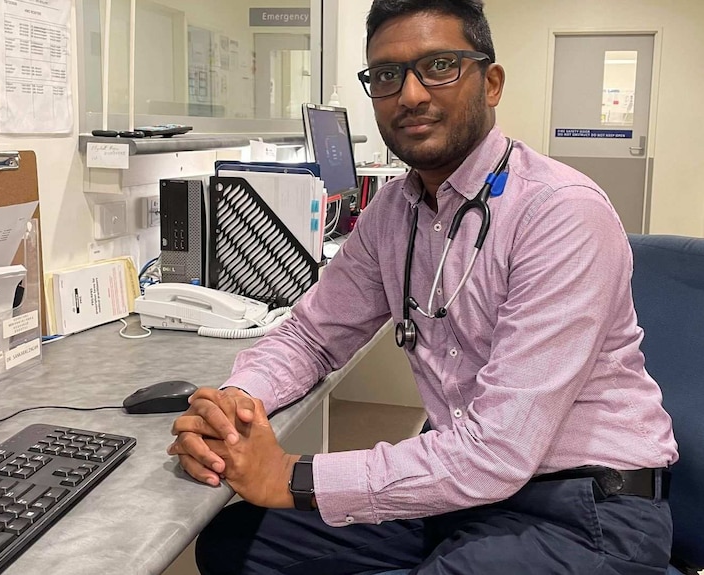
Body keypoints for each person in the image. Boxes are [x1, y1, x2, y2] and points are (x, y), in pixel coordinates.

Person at [167, 0, 679, 573]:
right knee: (237, 542)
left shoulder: (560, 214)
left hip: (585, 513)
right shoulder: (394, 212)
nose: (410, 95)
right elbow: (312, 336)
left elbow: (497, 450)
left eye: (439, 65)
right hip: (464, 494)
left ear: (492, 83)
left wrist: (290, 476)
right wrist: (236, 405)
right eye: (387, 75)